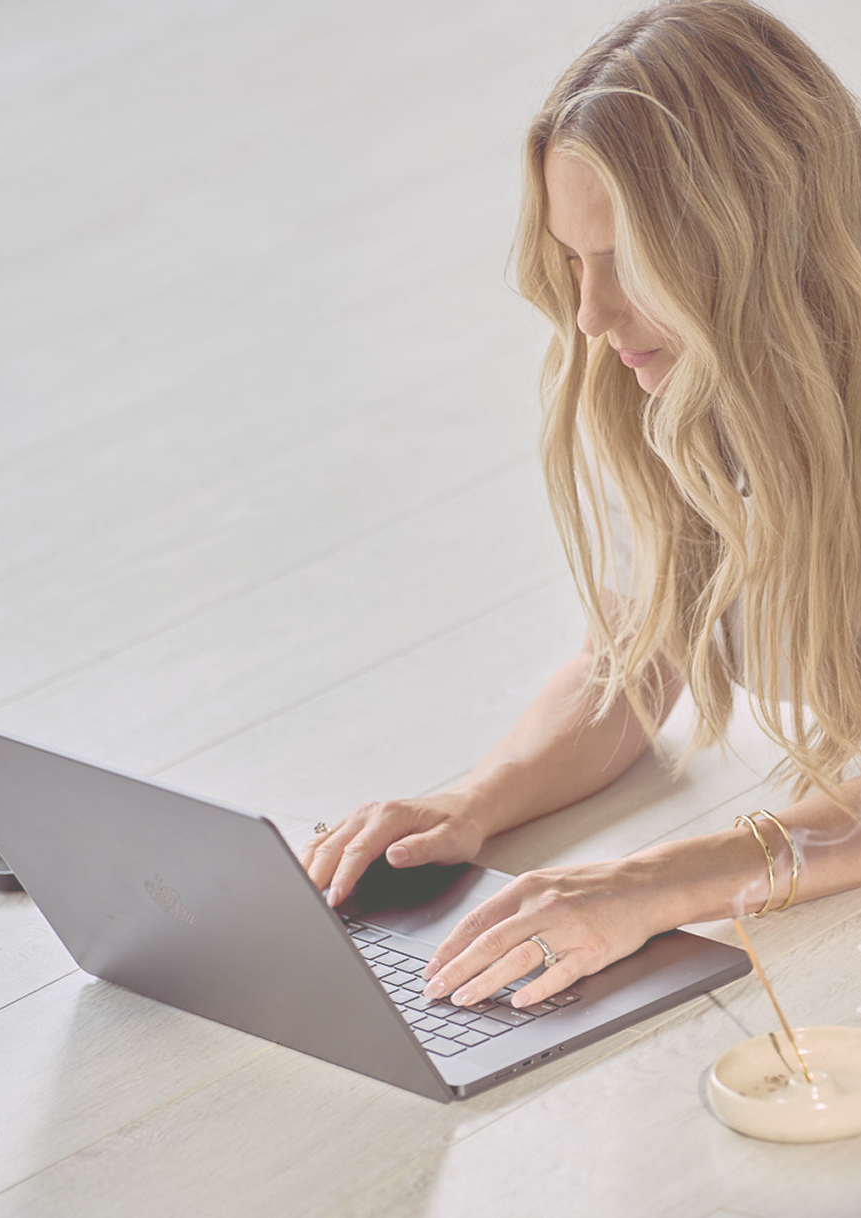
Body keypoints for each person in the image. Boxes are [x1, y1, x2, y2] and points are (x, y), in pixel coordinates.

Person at [302, 0, 861, 1013]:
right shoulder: (687, 389)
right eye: (575, 261)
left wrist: (654, 882)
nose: (593, 317)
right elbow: (642, 650)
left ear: (762, 244)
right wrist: (471, 804)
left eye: (630, 265)